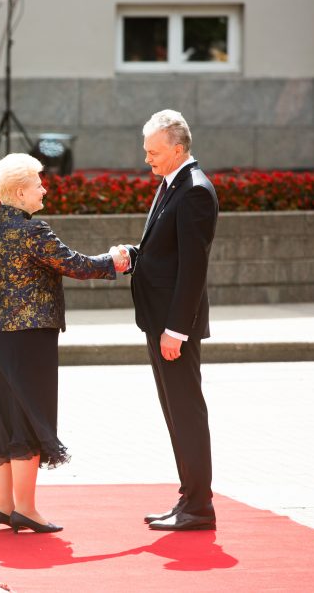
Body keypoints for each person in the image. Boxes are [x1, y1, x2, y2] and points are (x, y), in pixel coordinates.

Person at [0, 153, 129, 534]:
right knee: (29, 415)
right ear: (20, 191)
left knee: (7, 416)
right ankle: (25, 510)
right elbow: (74, 264)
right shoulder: (32, 230)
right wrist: (115, 261)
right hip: (28, 337)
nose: (44, 188)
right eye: (39, 183)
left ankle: (3, 506)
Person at [115, 109, 219, 532]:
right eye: (146, 151)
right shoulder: (172, 184)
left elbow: (193, 267)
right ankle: (188, 499)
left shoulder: (194, 190)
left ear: (178, 149)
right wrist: (134, 256)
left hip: (175, 327)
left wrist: (176, 329)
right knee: (175, 413)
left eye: (154, 152)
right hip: (158, 322)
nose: (148, 159)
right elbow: (166, 251)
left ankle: (199, 507)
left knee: (186, 412)